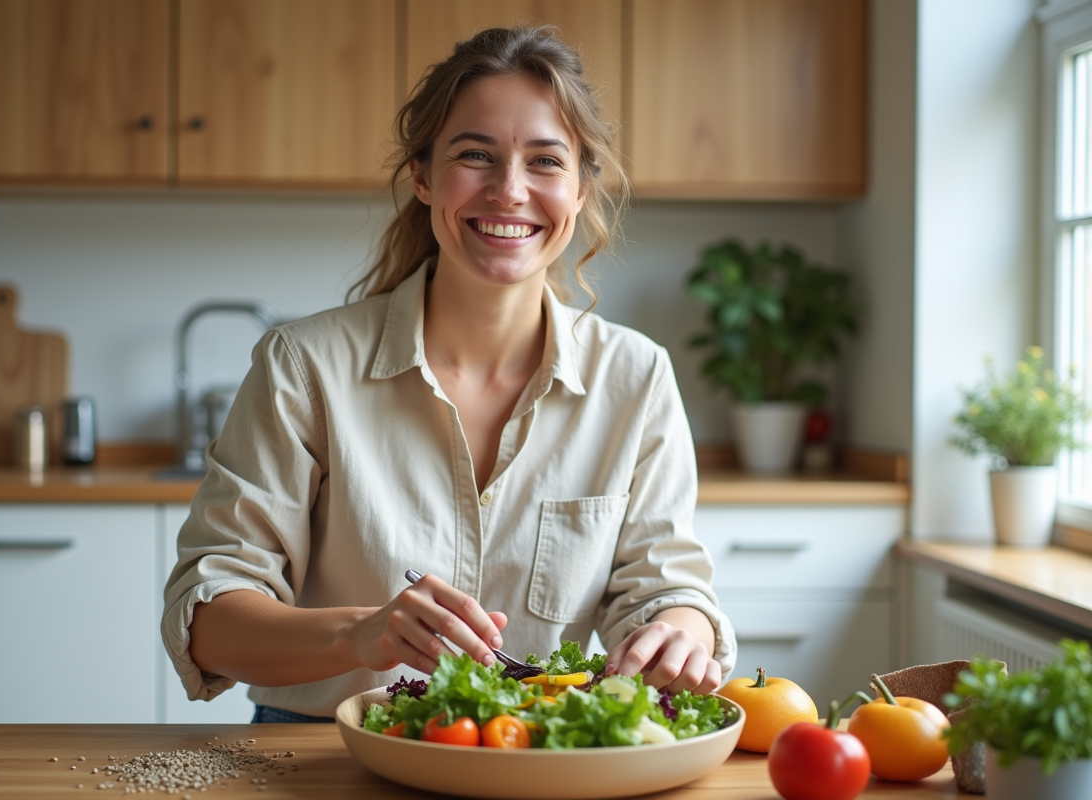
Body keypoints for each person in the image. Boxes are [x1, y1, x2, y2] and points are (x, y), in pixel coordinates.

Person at [162, 25, 736, 724]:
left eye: (546, 161)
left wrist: (678, 633)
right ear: (423, 175)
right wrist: (359, 634)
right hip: (323, 755)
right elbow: (210, 623)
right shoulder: (304, 366)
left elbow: (666, 590)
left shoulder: (637, 378)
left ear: (582, 189)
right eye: (476, 155)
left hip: (541, 758)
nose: (509, 190)